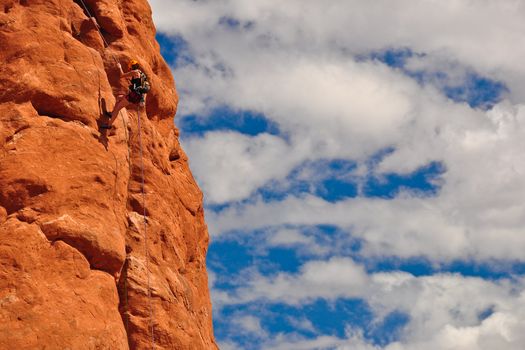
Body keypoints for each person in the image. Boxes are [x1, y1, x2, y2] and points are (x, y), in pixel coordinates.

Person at [101, 59, 150, 129]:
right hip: (137, 96)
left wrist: (119, 67)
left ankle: (109, 125)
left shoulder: (135, 72)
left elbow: (122, 75)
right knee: (119, 97)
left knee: (118, 108)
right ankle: (111, 114)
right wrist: (142, 100)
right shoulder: (142, 75)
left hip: (134, 95)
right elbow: (146, 89)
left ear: (132, 67)